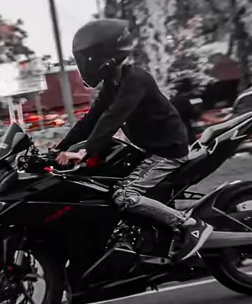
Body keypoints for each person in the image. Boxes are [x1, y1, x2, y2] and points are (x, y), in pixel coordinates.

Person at [55, 19, 213, 262]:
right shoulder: (112, 85)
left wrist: (85, 151)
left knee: (124, 194)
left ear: (106, 56)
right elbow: (91, 120)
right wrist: (59, 149)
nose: (85, 64)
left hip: (168, 151)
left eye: (88, 58)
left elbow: (113, 117)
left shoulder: (136, 80)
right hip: (148, 149)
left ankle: (189, 225)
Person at [171, 76, 203, 144]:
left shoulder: (173, 100)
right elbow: (195, 115)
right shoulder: (184, 101)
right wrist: (198, 110)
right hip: (184, 129)